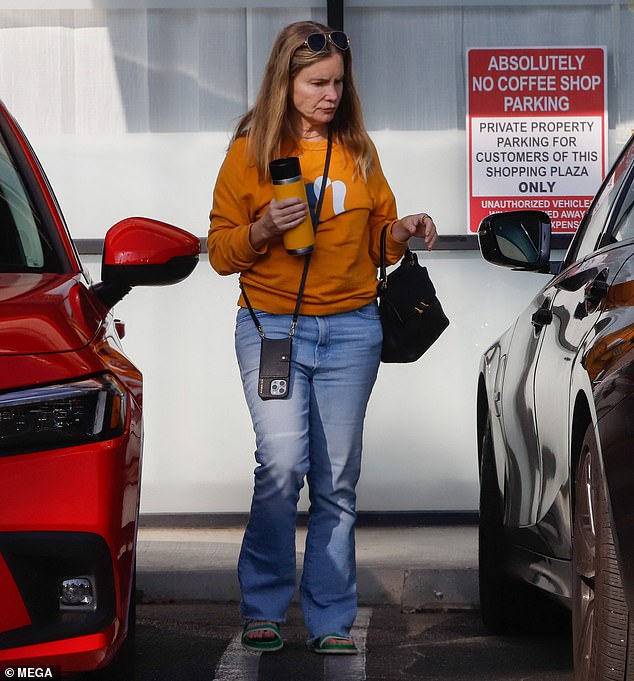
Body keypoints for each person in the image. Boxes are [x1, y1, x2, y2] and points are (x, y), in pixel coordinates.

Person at [207, 20, 437, 654]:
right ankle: (263, 605)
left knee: (336, 479)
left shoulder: (359, 150)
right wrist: (260, 231)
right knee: (281, 466)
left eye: (338, 82)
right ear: (286, 81)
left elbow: (377, 236)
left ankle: (332, 618)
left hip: (351, 331)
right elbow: (219, 251)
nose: (331, 94)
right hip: (272, 328)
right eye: (317, 83)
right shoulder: (250, 151)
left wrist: (403, 228)